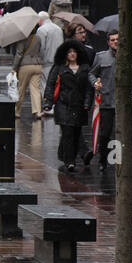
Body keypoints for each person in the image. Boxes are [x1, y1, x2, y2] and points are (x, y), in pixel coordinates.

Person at [87, 29, 132, 172]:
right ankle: (103, 159)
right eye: (112, 40)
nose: (115, 42)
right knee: (105, 133)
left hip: (124, 102)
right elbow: (91, 73)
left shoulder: (130, 57)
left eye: (117, 39)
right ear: (108, 42)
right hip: (106, 101)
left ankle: (117, 159)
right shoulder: (101, 57)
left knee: (123, 133)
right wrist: (95, 83)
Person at [44, 41, 89, 171]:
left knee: (75, 133)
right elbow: (50, 85)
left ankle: (65, 156)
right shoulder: (59, 68)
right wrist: (48, 103)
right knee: (68, 132)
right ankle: (70, 161)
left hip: (79, 106)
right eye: (69, 52)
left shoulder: (85, 68)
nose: (72, 54)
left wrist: (87, 103)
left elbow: (88, 89)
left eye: (74, 52)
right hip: (63, 105)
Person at [12, 25, 46, 119]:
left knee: (21, 89)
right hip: (37, 65)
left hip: (25, 65)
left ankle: (17, 111)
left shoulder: (22, 39)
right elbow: (40, 51)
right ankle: (37, 111)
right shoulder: (38, 38)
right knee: (35, 89)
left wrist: (14, 68)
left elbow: (19, 54)